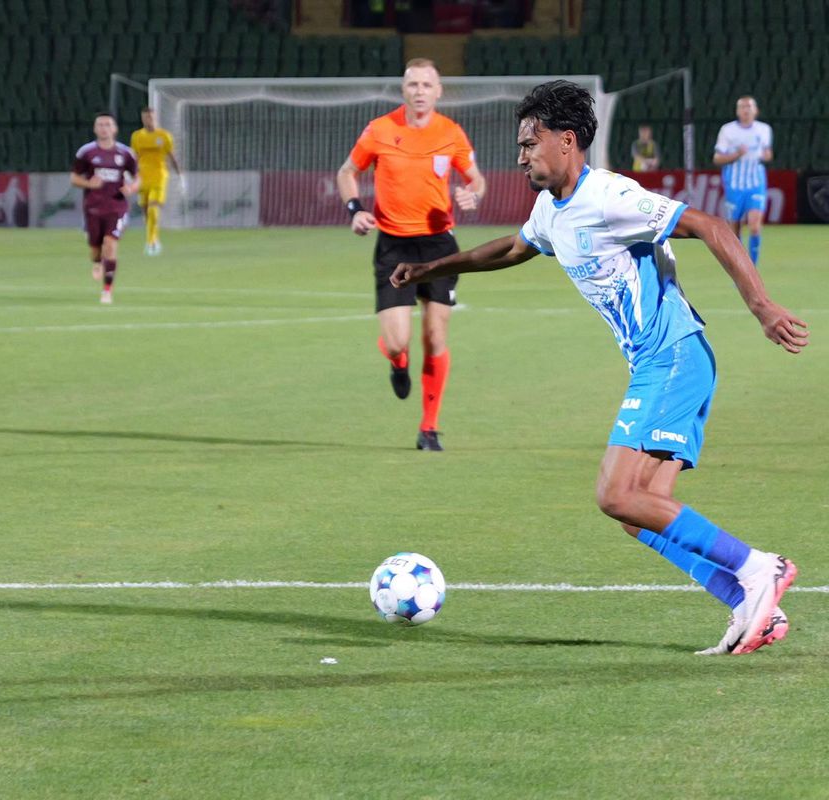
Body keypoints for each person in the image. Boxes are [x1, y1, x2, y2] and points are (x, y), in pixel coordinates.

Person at [392, 80, 805, 655]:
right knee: (640, 513)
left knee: (614, 495)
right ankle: (746, 602)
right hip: (666, 362)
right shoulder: (550, 209)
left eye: (529, 143)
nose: (521, 156)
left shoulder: (611, 196)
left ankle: (758, 567)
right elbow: (510, 249)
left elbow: (710, 225)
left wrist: (761, 307)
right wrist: (430, 269)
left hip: (673, 356)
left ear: (566, 141)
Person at [336, 58, 486, 451]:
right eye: (413, 84)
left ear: (438, 92)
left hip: (438, 246)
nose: (420, 91)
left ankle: (429, 428)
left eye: (426, 85)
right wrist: (355, 210)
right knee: (398, 341)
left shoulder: (451, 133)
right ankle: (397, 361)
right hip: (394, 246)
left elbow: (476, 179)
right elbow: (347, 171)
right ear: (403, 90)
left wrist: (473, 194)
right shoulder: (380, 130)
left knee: (435, 336)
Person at [71, 112, 139, 304]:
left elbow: (138, 177)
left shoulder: (125, 153)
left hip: (117, 206)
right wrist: (89, 184)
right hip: (93, 207)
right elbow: (74, 178)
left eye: (108, 124)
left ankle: (107, 291)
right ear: (95, 129)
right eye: (100, 125)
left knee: (110, 244)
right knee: (95, 249)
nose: (104, 128)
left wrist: (132, 188)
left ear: (114, 129)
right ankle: (96, 262)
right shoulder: (86, 152)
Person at [713, 96, 772, 265]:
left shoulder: (764, 129)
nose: (746, 110)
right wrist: (736, 154)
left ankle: (752, 266)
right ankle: (740, 265)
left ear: (756, 110)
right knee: (734, 229)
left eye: (749, 106)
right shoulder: (728, 130)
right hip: (734, 184)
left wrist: (765, 155)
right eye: (743, 107)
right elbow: (717, 158)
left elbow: (767, 154)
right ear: (737, 111)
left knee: (754, 226)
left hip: (756, 183)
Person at [130, 106, 182, 255]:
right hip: (142, 177)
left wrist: (180, 176)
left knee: (153, 208)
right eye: (146, 117)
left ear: (155, 118)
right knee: (146, 211)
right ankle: (154, 237)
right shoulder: (137, 136)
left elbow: (172, 156)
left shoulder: (164, 136)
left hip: (159, 176)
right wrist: (130, 174)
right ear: (142, 119)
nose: (149, 119)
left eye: (151, 117)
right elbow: (134, 157)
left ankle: (151, 243)